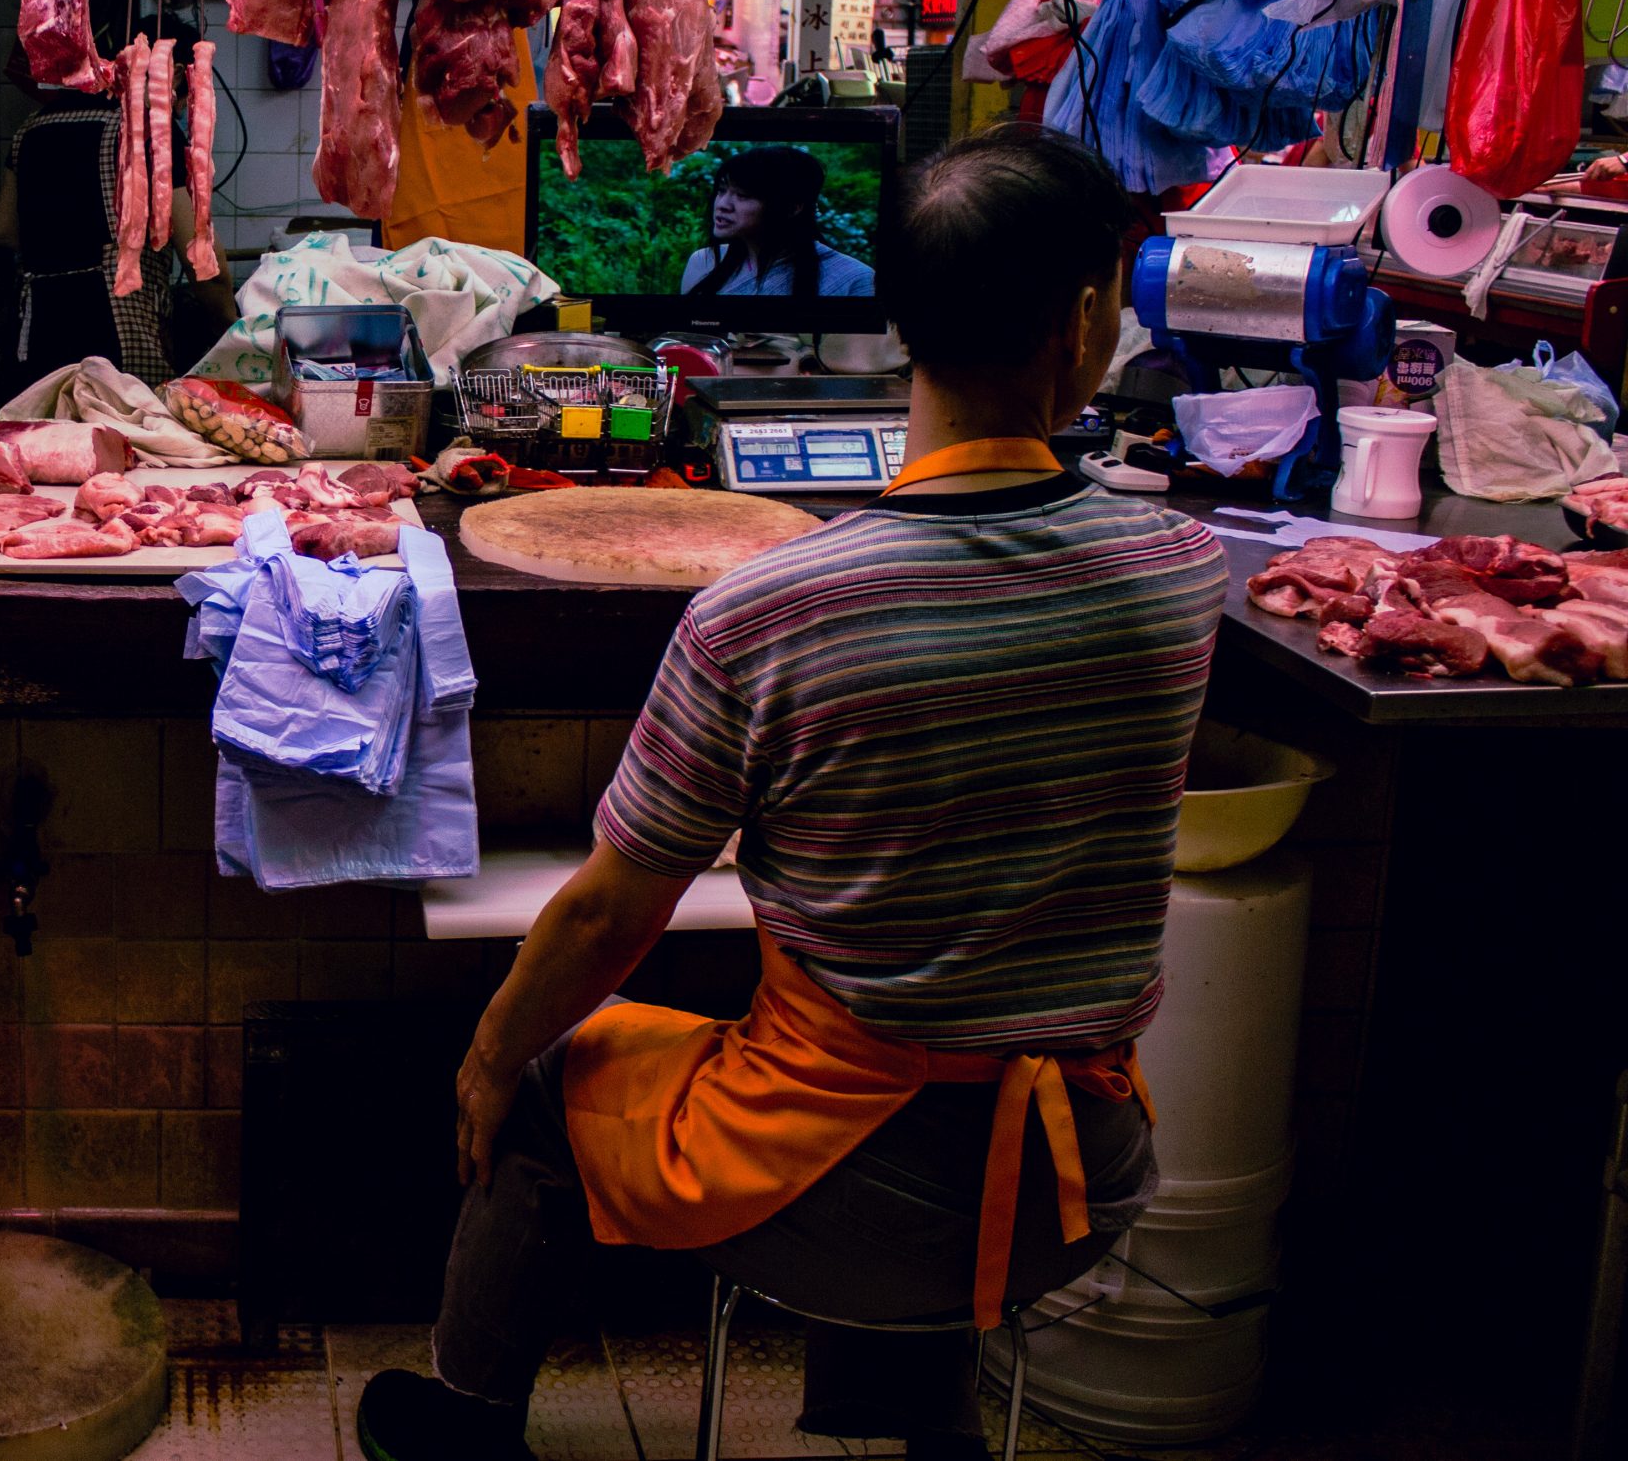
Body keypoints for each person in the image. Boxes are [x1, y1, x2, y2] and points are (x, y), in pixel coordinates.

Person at [356, 124, 1229, 1461]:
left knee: (540, 1073)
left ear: (895, 317)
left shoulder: (768, 610)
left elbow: (607, 921)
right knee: (923, 1045)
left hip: (844, 1176)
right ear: (1087, 320)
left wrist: (484, 1054)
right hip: (1079, 1170)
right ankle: (914, 1426)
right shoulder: (1181, 573)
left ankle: (469, 1428)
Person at [0, 26, 234, 382]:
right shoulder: (151, 130)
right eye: (188, 97)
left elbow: (4, 232)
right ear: (179, 73)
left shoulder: (31, 128)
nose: (183, 109)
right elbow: (203, 264)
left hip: (41, 337)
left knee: (51, 436)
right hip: (117, 344)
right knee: (123, 437)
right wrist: (231, 329)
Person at [680, 144, 875, 298]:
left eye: (743, 195)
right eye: (722, 191)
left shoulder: (853, 278)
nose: (723, 205)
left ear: (792, 207)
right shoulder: (704, 263)